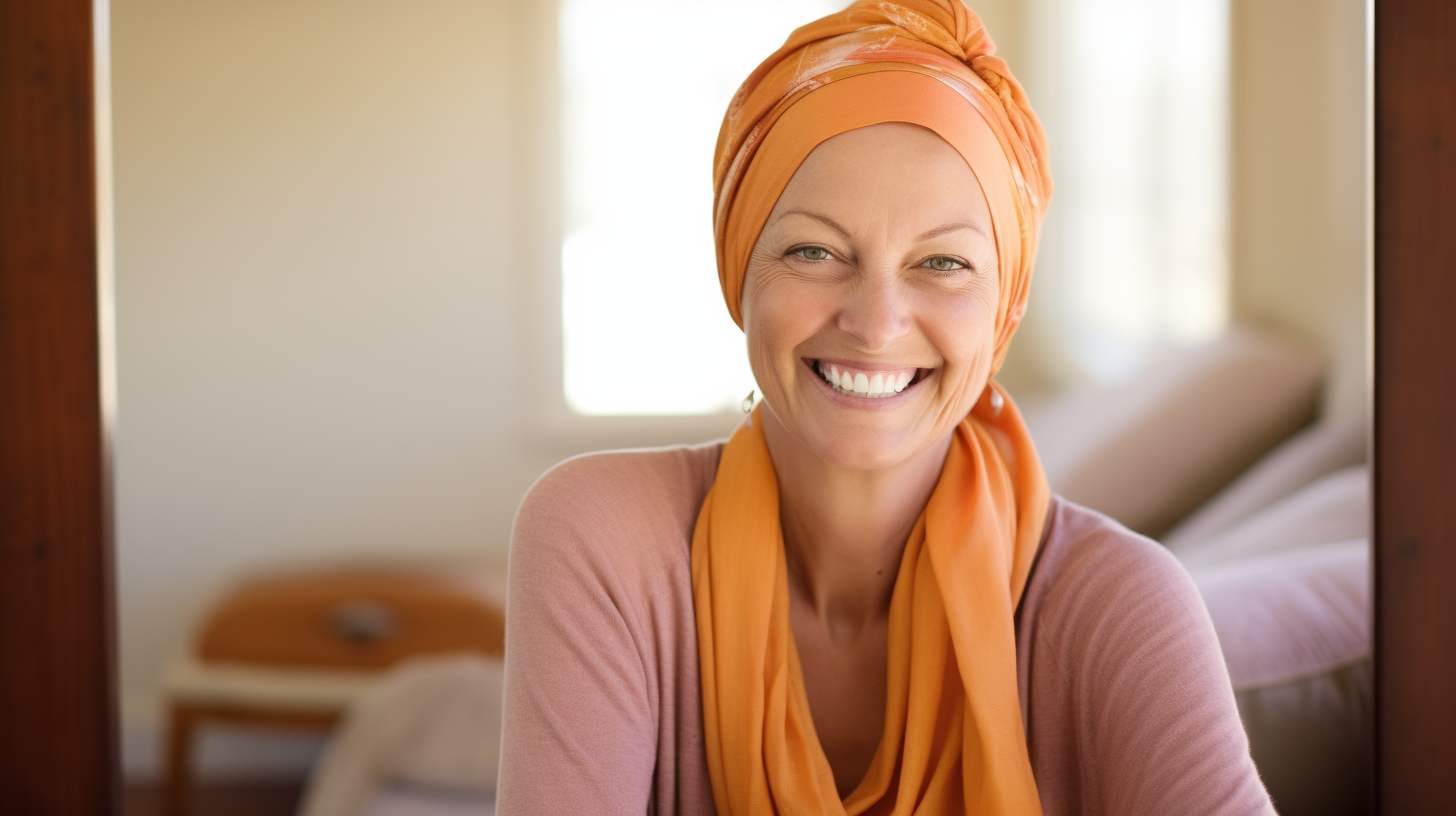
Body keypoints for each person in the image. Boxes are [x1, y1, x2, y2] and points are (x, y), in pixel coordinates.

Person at [498, 1, 1274, 813]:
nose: (874, 323)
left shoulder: (1120, 606)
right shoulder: (601, 541)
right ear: (741, 272)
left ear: (1004, 308)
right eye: (814, 250)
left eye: (942, 262)